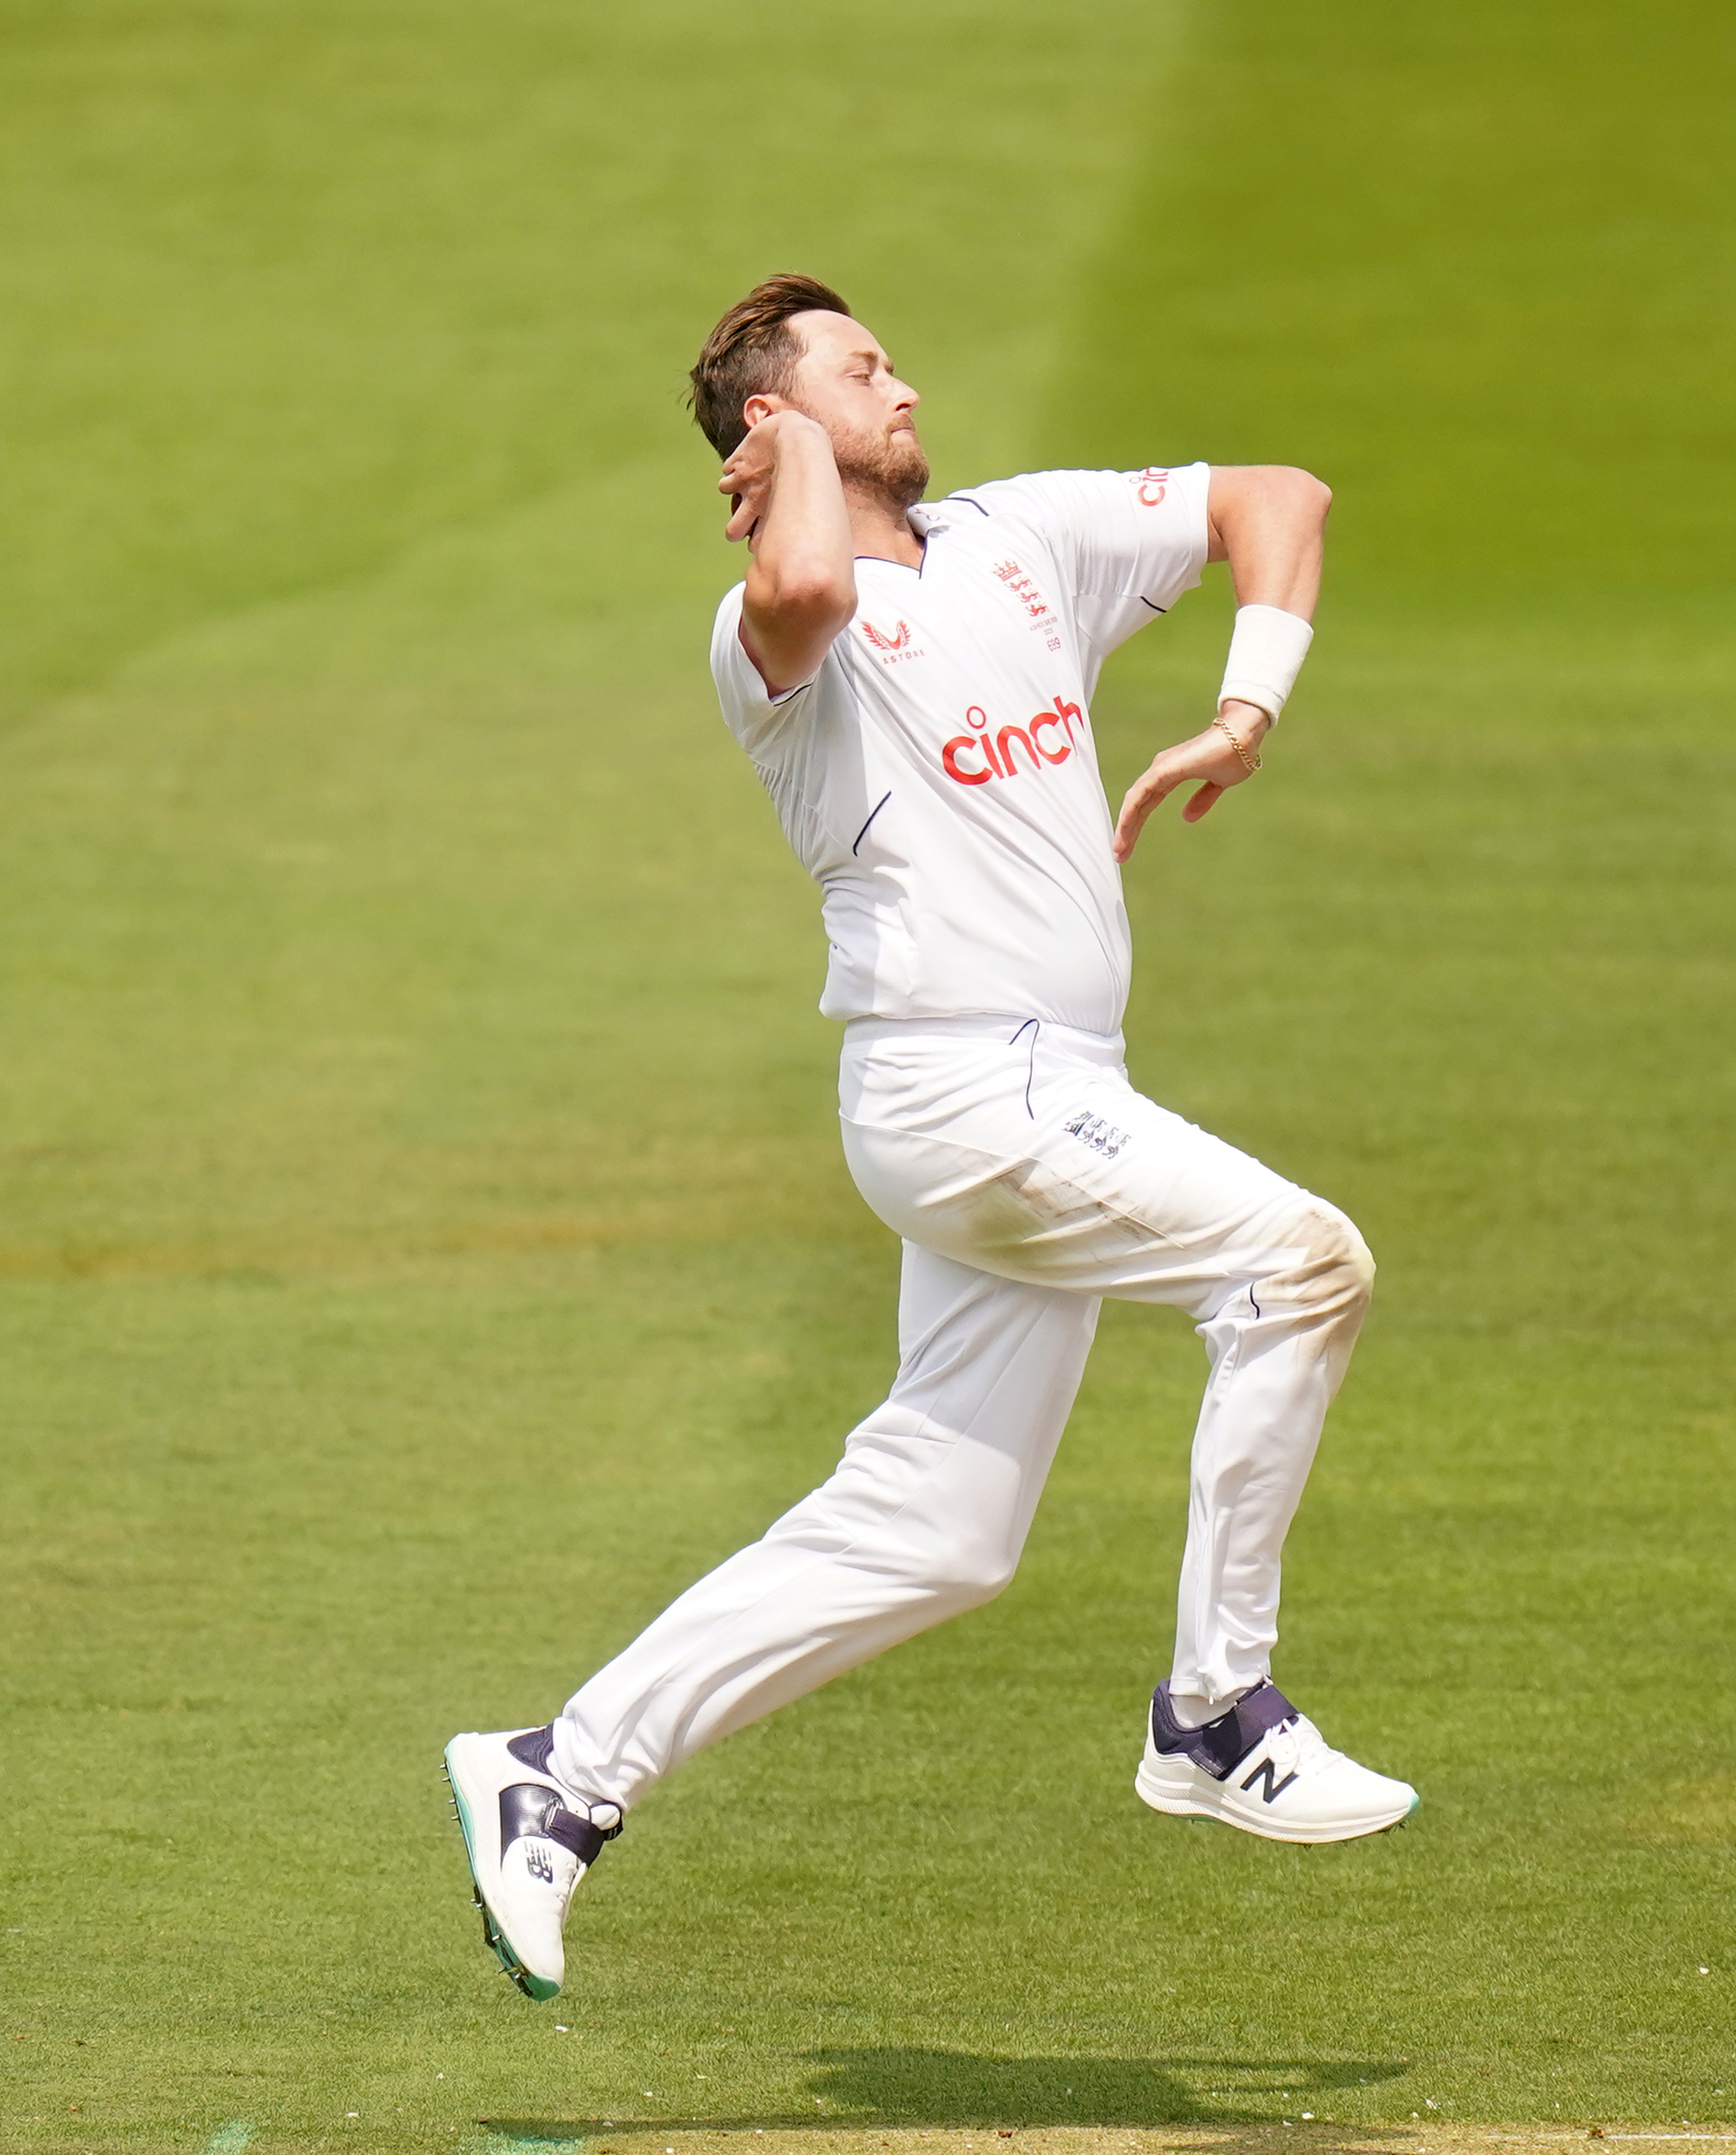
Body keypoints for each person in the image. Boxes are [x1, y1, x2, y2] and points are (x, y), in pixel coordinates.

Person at [444, 274, 1411, 2002]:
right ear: (774, 424)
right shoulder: (765, 639)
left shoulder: (1016, 536)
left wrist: (1246, 704)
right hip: (963, 1090)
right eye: (858, 372)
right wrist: (790, 461)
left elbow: (1282, 502)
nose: (906, 385)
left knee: (940, 1531)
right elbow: (806, 575)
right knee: (1298, 1264)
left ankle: (558, 1775)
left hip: (1048, 1089)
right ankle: (1214, 1708)